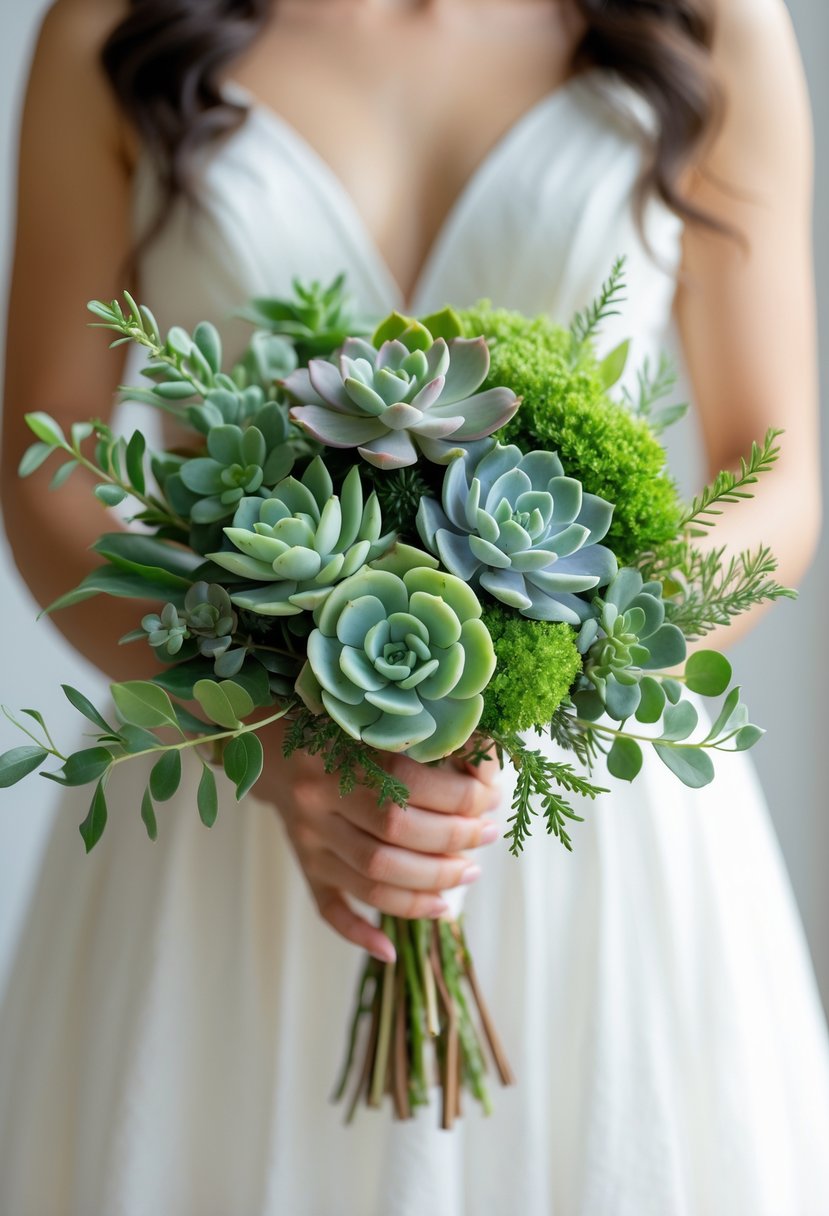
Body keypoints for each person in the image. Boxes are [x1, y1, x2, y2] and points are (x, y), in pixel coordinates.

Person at [1, 0, 828, 1212]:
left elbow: (778, 468)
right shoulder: (113, 25)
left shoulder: (710, 21)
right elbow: (48, 466)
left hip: (579, 816)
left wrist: (563, 667)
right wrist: (278, 742)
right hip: (227, 801)